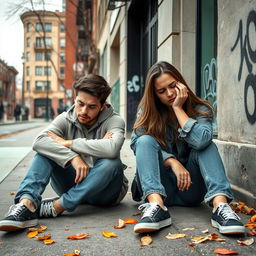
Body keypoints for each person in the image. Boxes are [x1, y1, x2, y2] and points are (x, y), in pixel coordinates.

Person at [0, 74, 128, 232]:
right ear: (75, 98)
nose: (83, 111)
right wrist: (72, 157)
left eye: (92, 107)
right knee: (44, 153)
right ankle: (26, 205)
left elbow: (112, 147)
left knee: (111, 162)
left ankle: (59, 206)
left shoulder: (115, 121)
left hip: (106, 193)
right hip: (73, 181)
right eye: (80, 103)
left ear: (102, 106)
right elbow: (39, 141)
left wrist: (69, 143)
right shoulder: (65, 119)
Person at [130, 61, 245, 235]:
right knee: (144, 141)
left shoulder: (200, 109)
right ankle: (156, 207)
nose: (169, 93)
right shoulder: (147, 111)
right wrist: (171, 161)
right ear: (154, 94)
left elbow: (200, 141)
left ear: (181, 83)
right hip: (161, 187)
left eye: (173, 86)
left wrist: (178, 108)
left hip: (191, 188)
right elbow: (136, 143)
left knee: (205, 144)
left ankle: (221, 207)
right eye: (162, 91)